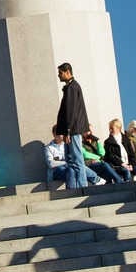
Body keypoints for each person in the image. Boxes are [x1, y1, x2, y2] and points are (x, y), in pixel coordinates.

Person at [55, 62, 89, 190]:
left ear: (67, 72)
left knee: (77, 158)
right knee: (71, 160)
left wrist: (68, 131)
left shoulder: (72, 87)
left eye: (60, 73)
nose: (59, 75)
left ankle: (82, 186)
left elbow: (71, 110)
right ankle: (77, 185)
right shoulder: (70, 87)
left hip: (73, 130)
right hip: (71, 130)